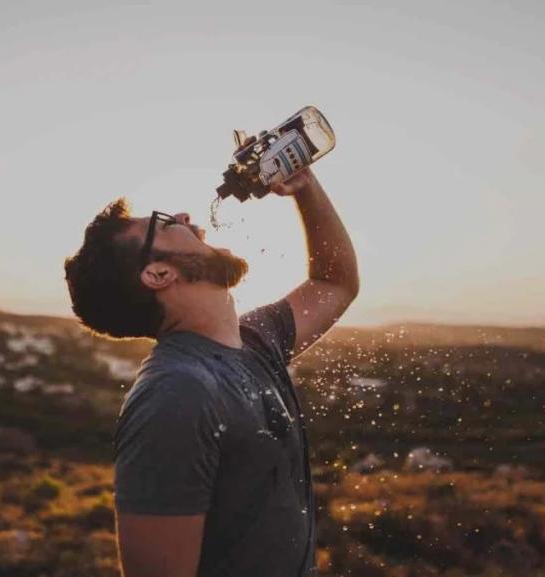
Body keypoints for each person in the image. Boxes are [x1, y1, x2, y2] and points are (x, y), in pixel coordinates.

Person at [63, 167, 358, 577]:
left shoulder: (256, 342)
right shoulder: (176, 395)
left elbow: (334, 282)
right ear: (158, 274)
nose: (184, 217)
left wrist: (304, 186)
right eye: (165, 224)